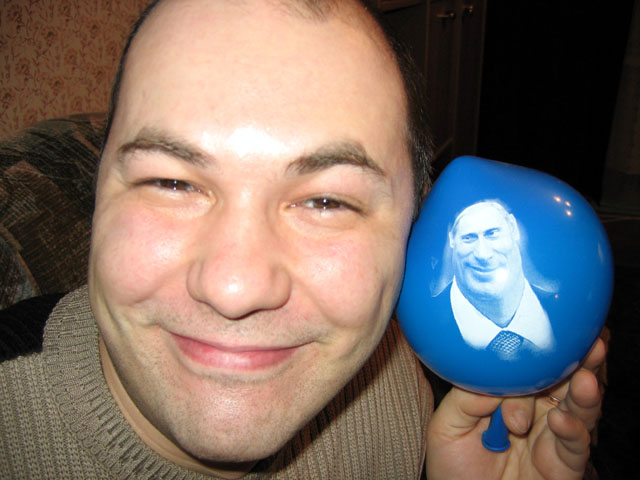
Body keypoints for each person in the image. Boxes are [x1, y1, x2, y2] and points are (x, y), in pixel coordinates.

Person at [0, 0, 604, 479]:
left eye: (326, 201)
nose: (235, 289)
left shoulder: (396, 389)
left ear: (414, 239)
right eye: (172, 182)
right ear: (98, 191)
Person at [447, 200, 553, 358]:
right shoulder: (424, 325)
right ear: (452, 240)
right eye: (469, 238)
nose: (483, 254)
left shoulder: (568, 311)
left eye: (492, 234)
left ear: (513, 229)